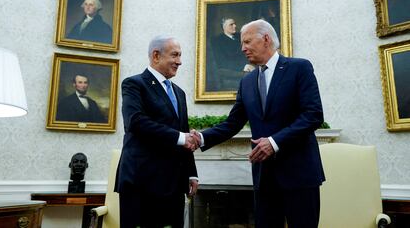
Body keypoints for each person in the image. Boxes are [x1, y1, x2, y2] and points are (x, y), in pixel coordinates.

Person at [192, 19, 325, 228]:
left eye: (247, 42)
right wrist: (201, 137)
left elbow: (313, 115)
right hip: (265, 178)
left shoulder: (299, 68)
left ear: (265, 39)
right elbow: (233, 123)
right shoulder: (247, 81)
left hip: (299, 174)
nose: (243, 48)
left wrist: (274, 142)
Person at [115, 36, 199, 228]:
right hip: (142, 181)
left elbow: (184, 133)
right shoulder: (134, 84)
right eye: (175, 55)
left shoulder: (179, 92)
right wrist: (180, 137)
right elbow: (135, 122)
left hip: (174, 183)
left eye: (180, 55)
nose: (180, 61)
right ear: (156, 56)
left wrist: (191, 173)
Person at [207, 17, 250, 91]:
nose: (235, 26)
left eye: (235, 24)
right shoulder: (217, 41)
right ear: (224, 27)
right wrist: (244, 66)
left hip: (248, 67)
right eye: (231, 24)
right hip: (234, 71)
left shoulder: (240, 36)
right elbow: (222, 62)